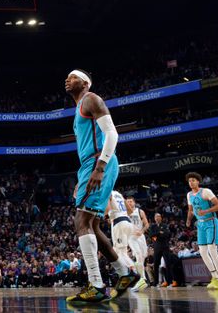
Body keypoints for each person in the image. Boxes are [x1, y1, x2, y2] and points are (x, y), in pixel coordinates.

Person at [64, 70, 138, 305]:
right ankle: (125, 273)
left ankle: (96, 285)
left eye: (73, 77)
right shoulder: (79, 108)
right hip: (91, 163)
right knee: (93, 226)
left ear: (85, 83)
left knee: (81, 222)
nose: (68, 80)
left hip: (98, 161)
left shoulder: (90, 98)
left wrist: (100, 167)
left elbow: (112, 134)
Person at [185, 172, 218, 290]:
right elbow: (191, 210)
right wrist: (188, 220)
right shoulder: (189, 195)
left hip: (211, 222)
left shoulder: (206, 191)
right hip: (200, 225)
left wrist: (206, 211)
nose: (191, 182)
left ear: (198, 181)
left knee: (212, 250)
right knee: (203, 252)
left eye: (193, 180)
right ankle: (214, 277)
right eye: (189, 181)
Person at [125, 196, 150, 291]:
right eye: (127, 202)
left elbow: (147, 224)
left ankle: (140, 279)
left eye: (131, 201)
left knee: (143, 257)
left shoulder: (140, 211)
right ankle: (142, 279)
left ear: (134, 202)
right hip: (131, 237)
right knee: (138, 256)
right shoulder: (124, 213)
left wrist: (142, 231)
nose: (129, 203)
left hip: (140, 236)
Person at [148, 213, 176, 287]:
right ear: (154, 218)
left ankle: (169, 282)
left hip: (165, 247)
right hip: (156, 248)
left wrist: (156, 235)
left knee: (168, 264)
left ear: (161, 218)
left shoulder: (165, 225)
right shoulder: (152, 226)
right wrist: (159, 233)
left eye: (159, 216)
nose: (157, 218)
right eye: (156, 216)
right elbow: (151, 235)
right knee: (156, 265)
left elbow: (167, 234)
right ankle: (156, 282)